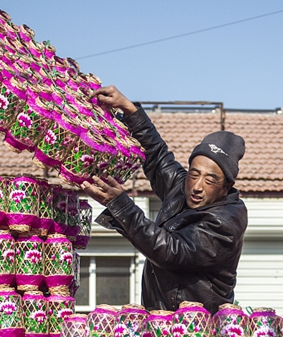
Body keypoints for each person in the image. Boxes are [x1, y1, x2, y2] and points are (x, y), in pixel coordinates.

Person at [83, 85, 248, 314]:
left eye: (210, 180)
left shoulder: (226, 222)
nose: (197, 186)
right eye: (194, 174)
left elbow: (171, 251)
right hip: (161, 322)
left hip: (195, 329)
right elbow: (157, 156)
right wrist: (130, 110)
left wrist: (120, 204)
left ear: (225, 187)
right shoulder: (182, 187)